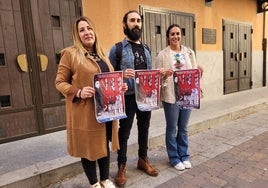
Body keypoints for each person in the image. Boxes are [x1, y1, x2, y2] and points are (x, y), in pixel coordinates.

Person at [55, 16, 127, 188]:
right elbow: (59, 82)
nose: (87, 32)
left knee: (103, 143)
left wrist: (118, 88)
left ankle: (105, 179)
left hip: (106, 111)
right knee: (88, 148)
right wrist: (78, 92)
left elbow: (107, 79)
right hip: (85, 112)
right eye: (82, 30)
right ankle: (94, 183)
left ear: (94, 31)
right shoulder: (70, 54)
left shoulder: (102, 54)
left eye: (89, 28)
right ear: (77, 35)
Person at [109, 10, 158, 187]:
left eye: (138, 20)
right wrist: (121, 75)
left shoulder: (147, 49)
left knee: (144, 128)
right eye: (132, 20)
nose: (136, 23)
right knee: (124, 132)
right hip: (127, 97)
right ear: (125, 24)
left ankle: (142, 160)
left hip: (145, 97)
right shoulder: (118, 49)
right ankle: (121, 166)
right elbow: (108, 76)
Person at [155, 24, 202, 171]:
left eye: (177, 33)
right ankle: (174, 158)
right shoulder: (162, 55)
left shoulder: (189, 52)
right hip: (171, 96)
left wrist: (200, 75)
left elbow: (195, 74)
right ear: (168, 37)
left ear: (181, 35)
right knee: (172, 128)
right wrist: (163, 74)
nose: (175, 36)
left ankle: (184, 155)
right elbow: (157, 78)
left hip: (187, 94)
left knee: (183, 128)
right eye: (172, 34)